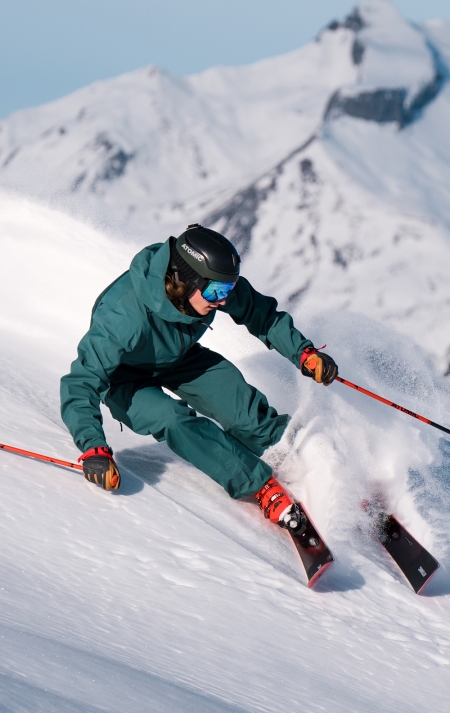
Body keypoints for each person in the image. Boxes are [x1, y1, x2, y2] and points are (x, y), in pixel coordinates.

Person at [60, 224, 337, 533]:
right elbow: (80, 382)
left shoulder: (208, 286)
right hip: (125, 379)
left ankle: (301, 458)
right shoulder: (123, 318)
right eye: (217, 292)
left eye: (227, 291)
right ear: (182, 281)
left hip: (178, 357)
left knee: (240, 407)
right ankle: (258, 486)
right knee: (174, 420)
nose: (222, 300)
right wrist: (93, 447)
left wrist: (303, 353)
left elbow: (262, 314)